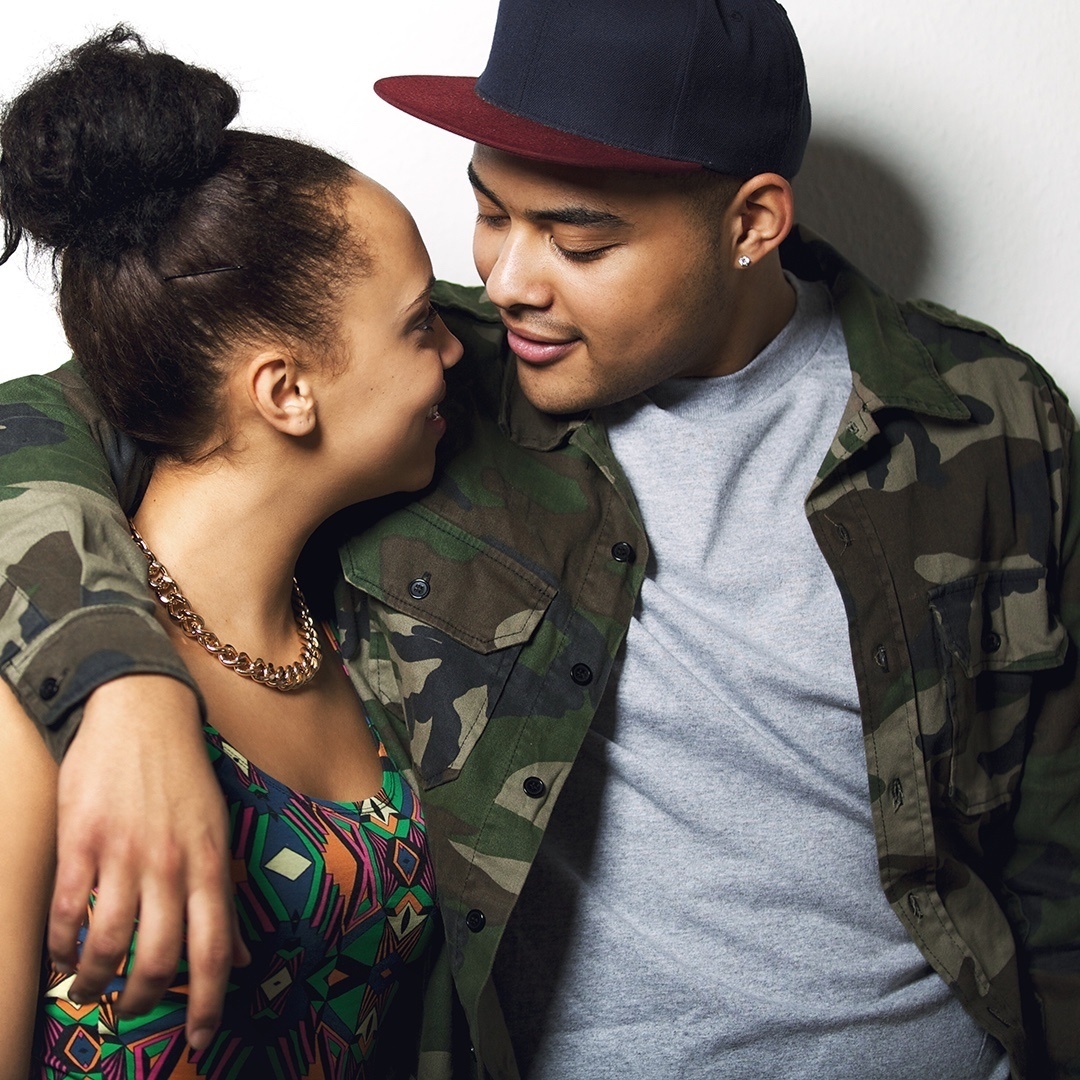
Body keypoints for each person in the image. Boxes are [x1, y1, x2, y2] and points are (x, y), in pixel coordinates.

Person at [0, 1, 1077, 1077]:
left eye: (577, 240)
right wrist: (118, 689)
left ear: (753, 222)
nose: (509, 281)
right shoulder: (421, 378)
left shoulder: (987, 423)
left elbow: (1056, 855)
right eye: (489, 211)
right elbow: (67, 417)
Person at [0, 26, 463, 1077]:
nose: (454, 349)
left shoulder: (355, 634)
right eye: (420, 324)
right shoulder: (39, 690)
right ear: (286, 391)